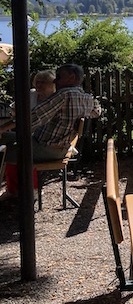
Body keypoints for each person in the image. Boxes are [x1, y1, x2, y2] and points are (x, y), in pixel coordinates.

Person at [0, 64, 101, 202]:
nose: (54, 81)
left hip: (44, 148)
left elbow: (29, 119)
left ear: (71, 78)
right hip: (59, 148)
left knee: (2, 150)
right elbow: (97, 112)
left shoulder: (63, 95)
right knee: (5, 140)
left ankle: (19, 194)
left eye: (58, 77)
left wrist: (1, 128)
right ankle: (16, 191)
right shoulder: (87, 98)